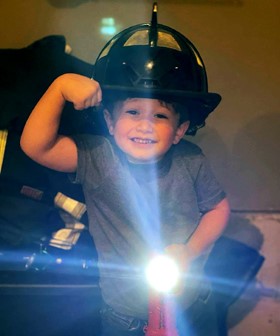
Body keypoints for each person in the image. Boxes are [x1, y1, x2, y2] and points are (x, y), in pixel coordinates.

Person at [20, 4, 230, 336]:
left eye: (160, 116)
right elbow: (37, 146)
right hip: (124, 316)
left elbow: (217, 208)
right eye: (132, 112)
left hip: (192, 305)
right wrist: (59, 88)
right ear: (109, 120)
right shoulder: (96, 156)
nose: (145, 126)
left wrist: (189, 252)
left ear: (179, 129)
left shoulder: (192, 160)